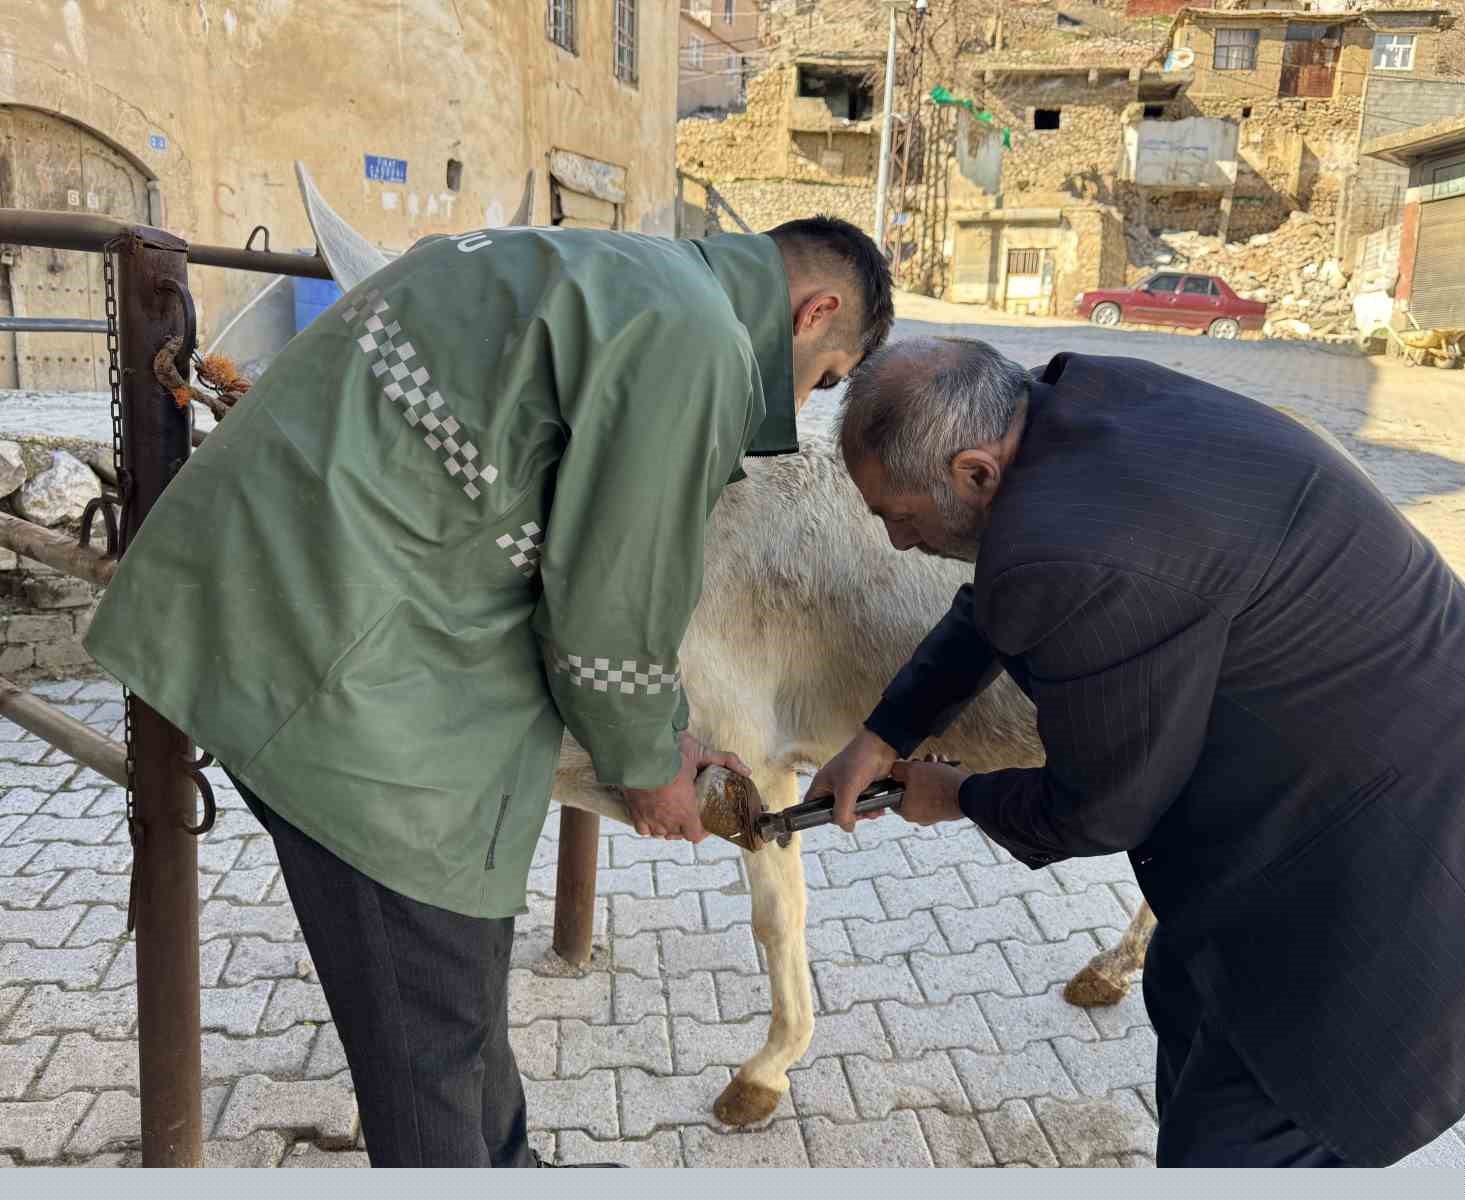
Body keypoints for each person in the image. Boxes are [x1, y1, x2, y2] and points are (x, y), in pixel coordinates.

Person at [85, 217, 893, 1166]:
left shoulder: (603, 269)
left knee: (457, 984)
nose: (796, 409)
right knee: (431, 1032)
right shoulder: (699, 337)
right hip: (339, 673)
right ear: (815, 313)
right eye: (823, 380)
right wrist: (650, 768)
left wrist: (667, 733)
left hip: (296, 610)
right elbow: (608, 606)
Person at [809, 336, 1465, 1167]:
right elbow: (998, 601)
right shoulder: (1071, 407)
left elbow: (1098, 811)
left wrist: (955, 795)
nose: (898, 543)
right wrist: (882, 734)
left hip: (1419, 872)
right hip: (1359, 783)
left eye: (900, 516)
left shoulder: (1069, 546)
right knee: (1183, 992)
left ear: (975, 473)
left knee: (1231, 1145)